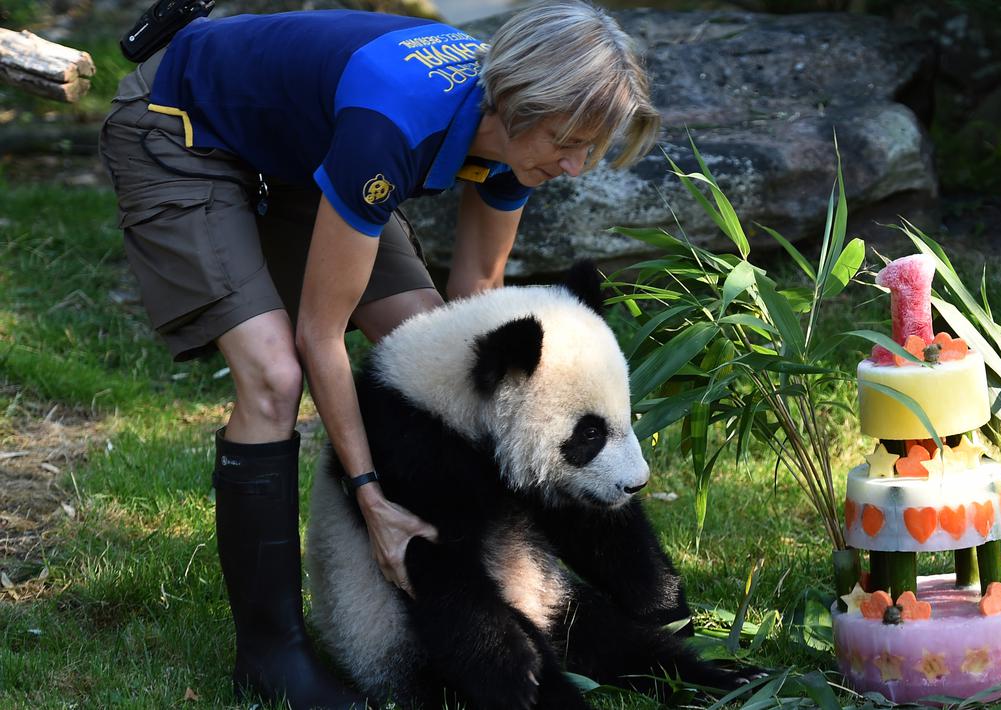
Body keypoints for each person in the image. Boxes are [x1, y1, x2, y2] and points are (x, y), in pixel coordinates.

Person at [98, 1, 659, 706]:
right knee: (274, 375)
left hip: (300, 148)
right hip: (178, 124)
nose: (575, 167)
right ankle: (270, 653)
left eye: (591, 148)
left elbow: (467, 316)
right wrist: (371, 498)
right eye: (566, 142)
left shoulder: (520, 143)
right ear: (518, 102)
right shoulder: (393, 122)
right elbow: (319, 335)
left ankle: (468, 589)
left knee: (425, 350)